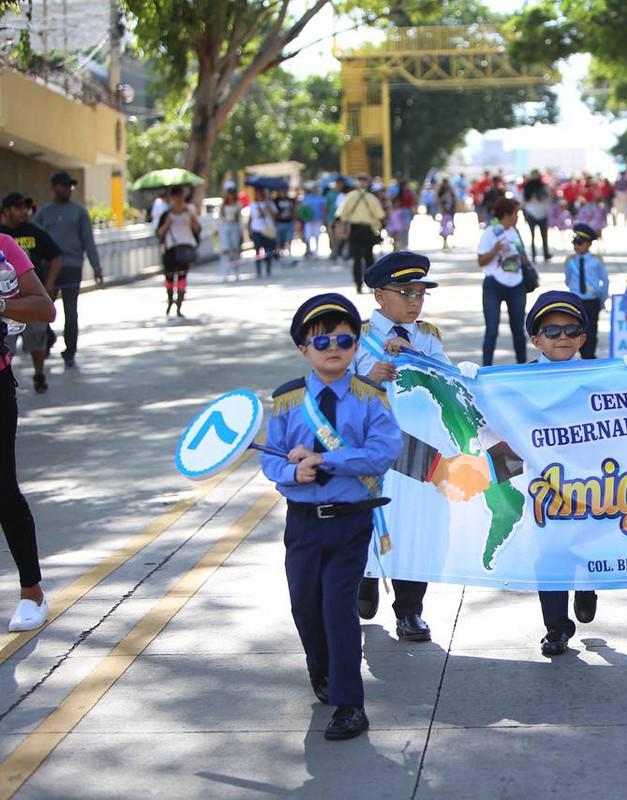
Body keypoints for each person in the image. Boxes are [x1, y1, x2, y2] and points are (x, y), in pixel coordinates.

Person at [260, 292, 401, 741]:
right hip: (303, 522)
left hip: (349, 521)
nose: (333, 348)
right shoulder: (288, 401)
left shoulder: (370, 398)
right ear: (303, 348)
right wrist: (293, 472)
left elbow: (383, 452)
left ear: (356, 345)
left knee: (338, 608)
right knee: (305, 605)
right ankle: (321, 668)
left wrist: (325, 460)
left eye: (343, 339)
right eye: (321, 341)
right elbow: (272, 458)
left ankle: (349, 704)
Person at [352, 252, 446, 642]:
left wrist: (414, 356)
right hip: (370, 448)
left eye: (420, 293)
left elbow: (449, 384)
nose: (414, 301)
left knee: (414, 525)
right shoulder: (356, 336)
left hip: (416, 447)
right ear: (379, 295)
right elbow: (332, 389)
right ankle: (366, 578)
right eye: (405, 292)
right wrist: (368, 378)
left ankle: (410, 611)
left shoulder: (427, 337)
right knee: (368, 520)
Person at [523, 290, 600, 656]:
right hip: (545, 486)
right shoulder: (516, 381)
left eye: (571, 330)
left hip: (593, 482)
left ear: (583, 338)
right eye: (552, 331)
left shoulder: (601, 376)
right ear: (536, 339)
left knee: (588, 542)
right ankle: (556, 627)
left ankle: (587, 582)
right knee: (551, 552)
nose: (562, 337)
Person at [1, 233, 56, 631]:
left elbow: (44, 308)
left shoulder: (4, 247)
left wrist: (2, 304)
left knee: (3, 489)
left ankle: (32, 593)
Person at [33, 172, 102, 369]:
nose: (68, 190)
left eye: (70, 186)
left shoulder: (79, 212)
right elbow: (35, 240)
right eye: (65, 186)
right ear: (55, 187)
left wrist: (96, 266)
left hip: (72, 267)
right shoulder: (44, 213)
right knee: (44, 308)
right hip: (49, 268)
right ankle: (46, 340)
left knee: (71, 311)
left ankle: (70, 351)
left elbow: (88, 240)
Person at [1, 194, 61, 393]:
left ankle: (39, 373)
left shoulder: (34, 232)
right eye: (18, 208)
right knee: (7, 345)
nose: (23, 212)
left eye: (25, 208)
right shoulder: (2, 235)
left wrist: (49, 285)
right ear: (6, 211)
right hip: (6, 308)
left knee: (37, 340)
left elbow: (55, 256)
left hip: (29, 300)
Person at [477, 197, 528, 366]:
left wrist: (522, 258)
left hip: (516, 284)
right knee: (492, 330)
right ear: (506, 215)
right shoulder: (490, 232)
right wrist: (495, 250)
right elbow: (481, 261)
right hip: (494, 284)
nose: (517, 217)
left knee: (518, 330)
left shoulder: (514, 232)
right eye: (515, 214)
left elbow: (523, 256)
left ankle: (522, 366)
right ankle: (486, 368)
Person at [563, 223, 609, 359]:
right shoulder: (570, 261)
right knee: (575, 329)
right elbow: (568, 280)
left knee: (591, 330)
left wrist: (602, 298)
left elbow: (605, 280)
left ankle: (589, 356)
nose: (576, 246)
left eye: (580, 243)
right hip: (576, 301)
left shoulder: (596, 261)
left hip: (591, 300)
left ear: (589, 244)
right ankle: (578, 354)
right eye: (574, 243)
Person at [156, 186, 201, 317]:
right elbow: (159, 233)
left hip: (185, 247)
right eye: (177, 196)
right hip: (170, 249)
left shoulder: (189, 211)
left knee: (182, 278)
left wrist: (191, 217)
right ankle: (170, 301)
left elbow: (197, 229)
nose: (179, 198)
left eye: (181, 195)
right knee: (169, 278)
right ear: (172, 197)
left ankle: (179, 306)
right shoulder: (166, 214)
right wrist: (167, 223)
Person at [337, 175, 386, 295]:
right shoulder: (371, 198)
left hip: (356, 229)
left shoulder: (350, 196)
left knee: (357, 258)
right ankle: (369, 283)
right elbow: (380, 215)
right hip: (367, 229)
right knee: (368, 258)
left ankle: (359, 284)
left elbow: (341, 215)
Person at [248, 187, 277, 279]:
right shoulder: (253, 205)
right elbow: (251, 218)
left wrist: (268, 208)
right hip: (256, 229)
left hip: (267, 229)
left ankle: (268, 268)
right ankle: (258, 270)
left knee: (268, 250)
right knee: (257, 250)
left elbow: (275, 216)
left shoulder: (269, 203)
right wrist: (249, 231)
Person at [523, 170, 552, 262]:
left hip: (531, 213)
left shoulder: (527, 188)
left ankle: (534, 254)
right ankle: (545, 253)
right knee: (544, 235)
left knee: (532, 235)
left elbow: (523, 201)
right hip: (542, 213)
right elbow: (548, 199)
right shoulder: (543, 187)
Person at [218, 183, 244, 281]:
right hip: (225, 227)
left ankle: (236, 270)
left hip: (234, 227)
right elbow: (220, 218)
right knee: (225, 250)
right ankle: (225, 272)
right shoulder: (223, 205)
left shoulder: (238, 204)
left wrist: (241, 231)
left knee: (235, 250)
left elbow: (240, 219)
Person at [274, 189, 296, 265]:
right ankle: (280, 255)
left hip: (289, 222)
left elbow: (293, 210)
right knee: (279, 241)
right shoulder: (275, 201)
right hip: (279, 223)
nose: (283, 193)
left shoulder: (290, 200)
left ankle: (288, 255)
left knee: (289, 239)